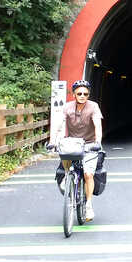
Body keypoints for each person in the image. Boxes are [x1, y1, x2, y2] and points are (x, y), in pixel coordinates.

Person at [52, 80, 103, 221]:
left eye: (85, 94)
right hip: (73, 143)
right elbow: (59, 124)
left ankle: (89, 206)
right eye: (79, 93)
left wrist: (98, 142)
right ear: (74, 94)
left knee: (88, 174)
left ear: (88, 95)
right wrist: (52, 141)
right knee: (66, 163)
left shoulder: (93, 107)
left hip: (90, 143)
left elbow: (97, 125)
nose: (82, 96)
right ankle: (67, 179)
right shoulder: (67, 107)